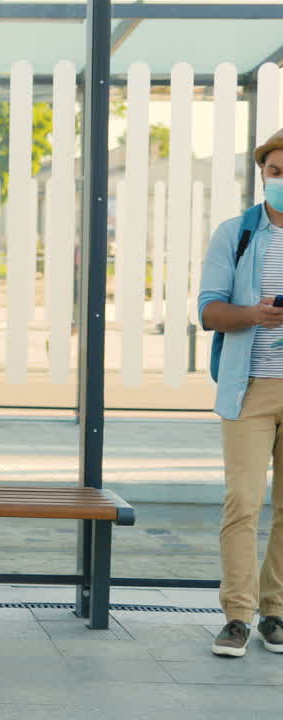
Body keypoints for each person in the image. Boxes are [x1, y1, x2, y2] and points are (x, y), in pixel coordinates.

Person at [198, 127, 283, 658]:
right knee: (244, 502)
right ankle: (237, 615)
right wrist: (254, 315)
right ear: (263, 176)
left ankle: (275, 612)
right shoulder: (238, 234)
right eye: (276, 172)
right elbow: (209, 311)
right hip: (250, 390)